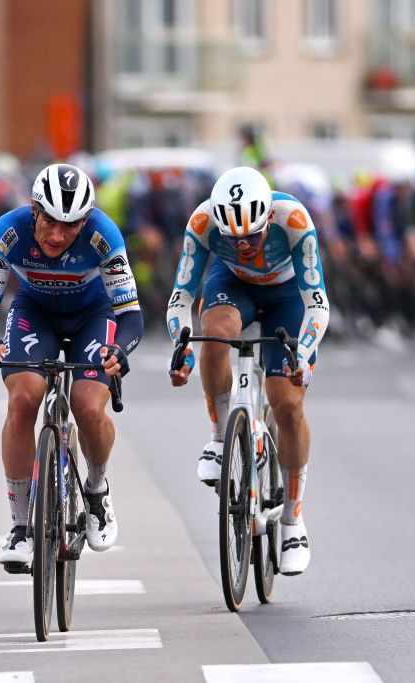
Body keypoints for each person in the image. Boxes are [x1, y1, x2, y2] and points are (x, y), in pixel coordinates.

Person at [0, 163, 143, 572]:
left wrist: (120, 350)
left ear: (86, 220)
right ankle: (20, 527)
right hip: (35, 313)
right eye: (49, 221)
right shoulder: (8, 232)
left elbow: (131, 315)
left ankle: (97, 489)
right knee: (23, 399)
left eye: (71, 225)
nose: (58, 235)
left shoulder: (104, 235)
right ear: (34, 210)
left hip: (93, 314)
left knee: (87, 405)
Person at [165, 166, 329, 576]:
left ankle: (292, 520)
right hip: (233, 286)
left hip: (288, 295)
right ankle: (221, 437)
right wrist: (181, 348)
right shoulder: (202, 223)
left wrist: (303, 354)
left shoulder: (293, 219)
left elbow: (318, 303)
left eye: (252, 237)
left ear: (267, 218)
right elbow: (180, 299)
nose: (243, 245)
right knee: (215, 333)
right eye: (232, 238)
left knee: (286, 404)